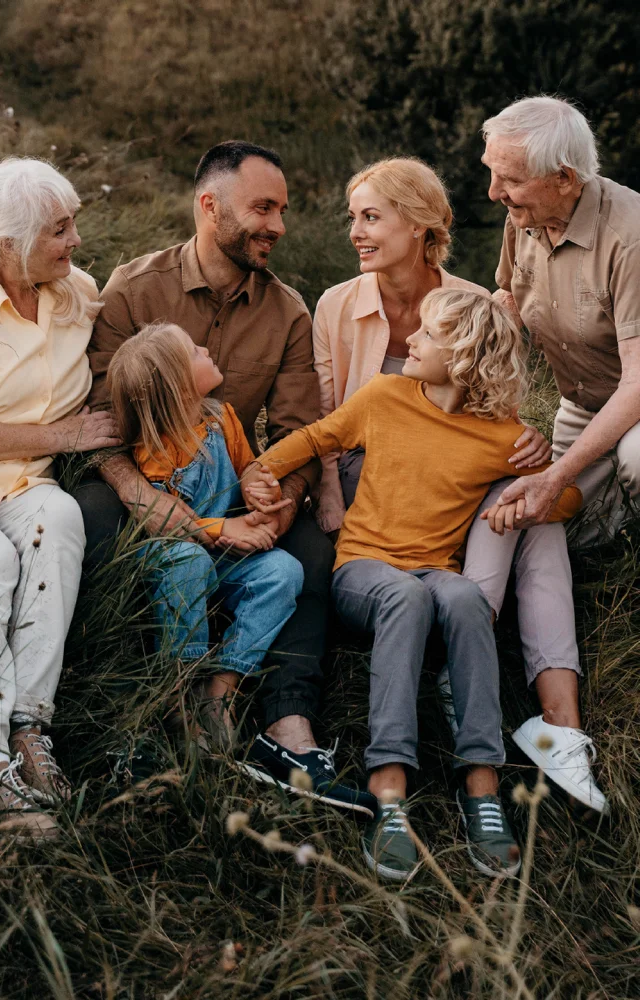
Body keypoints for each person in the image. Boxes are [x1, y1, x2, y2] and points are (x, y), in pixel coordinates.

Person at [243, 287, 582, 880]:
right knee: (405, 593)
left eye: (427, 335)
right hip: (364, 571)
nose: (411, 342)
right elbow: (320, 436)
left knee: (466, 597)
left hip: (435, 574)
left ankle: (481, 783)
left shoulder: (500, 436)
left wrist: (524, 497)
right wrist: (261, 468)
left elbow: (567, 495)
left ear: (465, 354)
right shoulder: (385, 395)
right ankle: (389, 790)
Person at [81, 140, 372, 816]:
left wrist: (279, 499)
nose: (277, 225)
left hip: (233, 479)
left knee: (307, 550)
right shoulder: (134, 287)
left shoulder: (288, 311)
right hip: (140, 473)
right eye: (262, 209)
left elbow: (298, 431)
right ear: (211, 208)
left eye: (283, 211)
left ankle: (283, 723)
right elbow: (96, 415)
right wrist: (137, 492)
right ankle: (126, 697)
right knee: (90, 511)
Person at [313, 156, 607, 813]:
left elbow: (493, 410)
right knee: (514, 496)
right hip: (376, 481)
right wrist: (328, 487)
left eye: (370, 217)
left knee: (529, 504)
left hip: (459, 480)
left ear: (421, 226)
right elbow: (322, 417)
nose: (355, 233)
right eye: (352, 218)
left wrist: (530, 449)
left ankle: (562, 728)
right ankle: (463, 649)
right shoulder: (337, 304)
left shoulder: (471, 304)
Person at [0, 157, 121, 838]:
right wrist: (62, 432)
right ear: (8, 246)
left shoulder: (73, 291)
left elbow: (129, 323)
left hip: (24, 483)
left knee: (60, 518)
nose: (76, 240)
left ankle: (29, 727)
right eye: (60, 229)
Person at [481, 94, 640, 806]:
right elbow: (506, 310)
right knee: (565, 541)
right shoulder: (526, 219)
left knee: (636, 464)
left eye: (508, 178)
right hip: (584, 403)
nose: (493, 193)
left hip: (633, 406)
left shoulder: (631, 233)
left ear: (567, 179)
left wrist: (561, 470)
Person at [107, 321, 304, 747]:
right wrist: (224, 528)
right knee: (189, 562)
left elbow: (246, 463)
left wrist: (256, 484)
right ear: (179, 388)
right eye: (193, 351)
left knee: (283, 572)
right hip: (171, 555)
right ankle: (178, 692)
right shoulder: (155, 449)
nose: (203, 346)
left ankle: (222, 687)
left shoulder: (222, 417)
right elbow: (167, 525)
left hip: (222, 551)